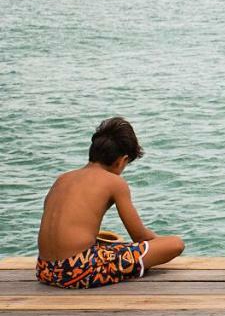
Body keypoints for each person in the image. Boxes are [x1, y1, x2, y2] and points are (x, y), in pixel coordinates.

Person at [36, 117, 185, 289]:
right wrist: (157, 245)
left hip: (45, 270)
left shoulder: (62, 179)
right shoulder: (115, 182)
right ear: (122, 160)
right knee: (175, 244)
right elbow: (140, 237)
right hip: (77, 270)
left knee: (110, 244)